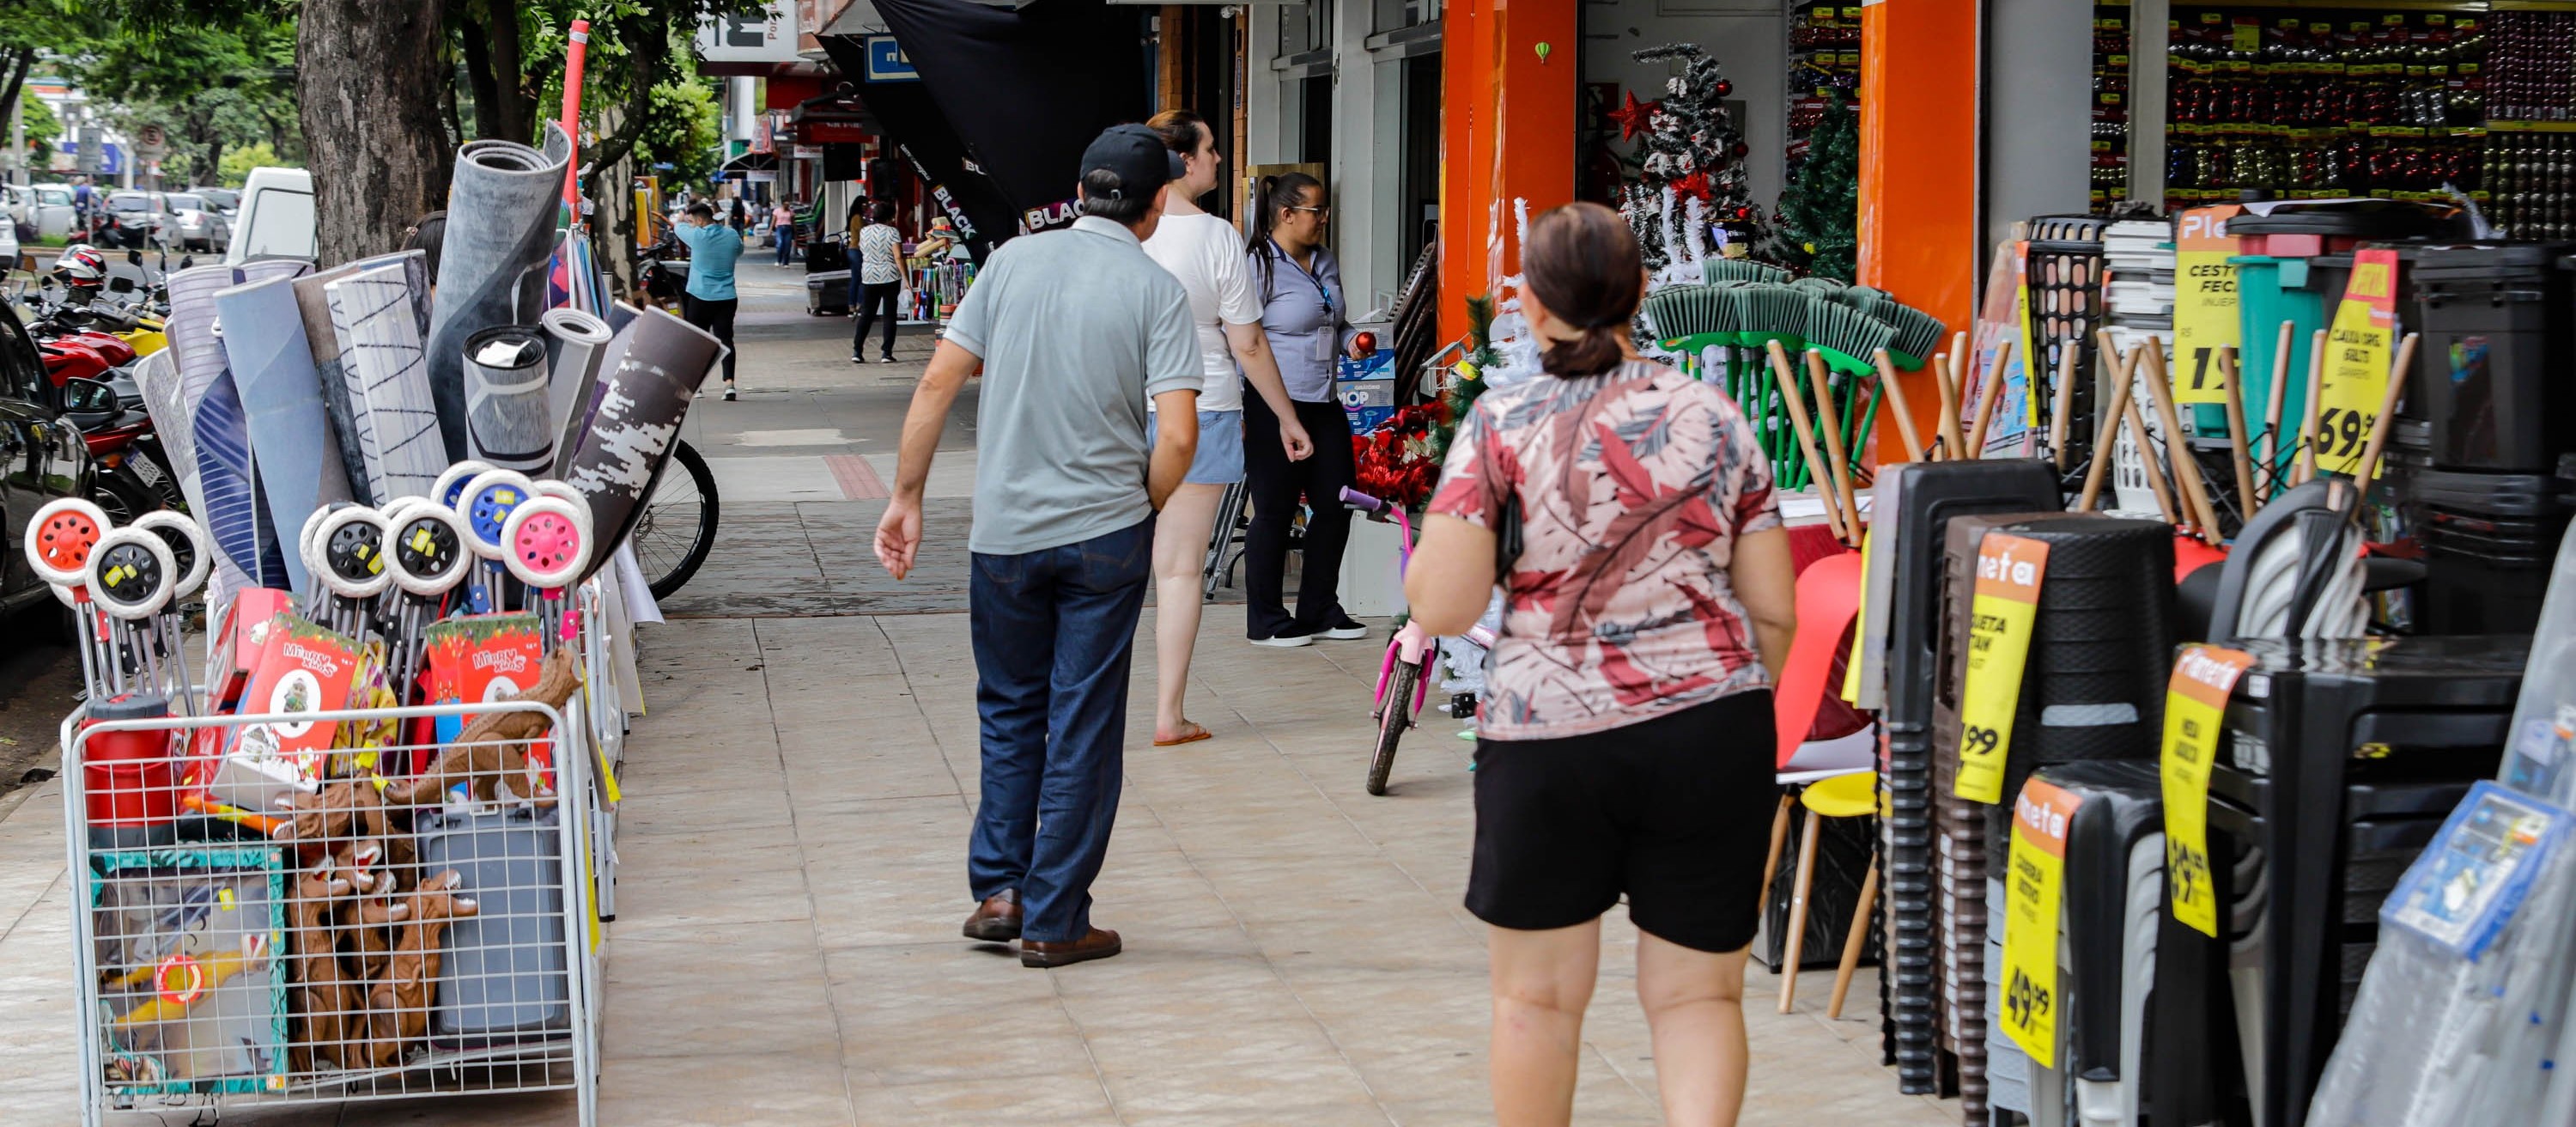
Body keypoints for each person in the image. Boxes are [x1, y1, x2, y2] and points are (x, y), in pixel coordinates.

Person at [1400, 202, 1799, 1127]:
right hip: (1709, 731)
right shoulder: (1712, 414)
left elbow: (1445, 604)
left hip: (1548, 739)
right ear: (1642, 295)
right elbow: (1773, 605)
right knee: (1698, 999)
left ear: (1533, 307)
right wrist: (1725, 700)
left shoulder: (1499, 423)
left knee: (1535, 1003)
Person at [872, 125, 1202, 970]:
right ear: (1157, 203)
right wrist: (1145, 504)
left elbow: (939, 379)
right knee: (1082, 721)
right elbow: (1178, 436)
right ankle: (1057, 917)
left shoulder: (1013, 261)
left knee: (1010, 709)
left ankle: (1002, 891)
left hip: (1005, 538)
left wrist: (906, 496)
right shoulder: (1156, 289)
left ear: (1083, 190)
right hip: (1104, 536)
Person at [1139, 108, 1313, 744]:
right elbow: (1249, 344)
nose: (1218, 158)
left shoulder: (1113, 231)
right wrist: (1288, 418)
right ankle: (1168, 715)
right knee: (1180, 569)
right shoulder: (1214, 236)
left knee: (1102, 563)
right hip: (1200, 405)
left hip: (1118, 411)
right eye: (1211, 149)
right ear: (1184, 160)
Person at [1240, 172, 1371, 647]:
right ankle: (1267, 620)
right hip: (1274, 403)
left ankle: (1319, 608)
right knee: (1274, 509)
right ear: (1286, 214)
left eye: (1324, 210)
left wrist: (1349, 340)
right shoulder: (1258, 264)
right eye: (1316, 211)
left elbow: (1331, 320)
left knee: (1337, 503)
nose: (1323, 219)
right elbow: (1243, 337)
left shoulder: (1324, 261)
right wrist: (1253, 409)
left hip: (1324, 400)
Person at [672, 201, 748, 401]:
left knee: (697, 341)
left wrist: (682, 219)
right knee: (726, 340)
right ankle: (729, 385)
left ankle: (696, 387)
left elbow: (677, 226)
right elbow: (739, 251)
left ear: (698, 220)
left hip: (699, 296)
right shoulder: (731, 235)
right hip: (727, 297)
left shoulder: (696, 236)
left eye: (693, 221)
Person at [849, 200, 904, 364]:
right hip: (890, 276)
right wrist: (906, 280)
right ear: (890, 216)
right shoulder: (893, 232)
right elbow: (899, 257)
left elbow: (862, 249)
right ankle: (886, 353)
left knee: (867, 314)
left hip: (869, 276)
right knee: (889, 315)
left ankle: (857, 351)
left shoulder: (865, 231)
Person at [772, 198, 797, 267]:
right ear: (783, 204)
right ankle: (778, 260)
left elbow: (793, 222)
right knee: (780, 244)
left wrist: (795, 231)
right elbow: (773, 221)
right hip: (779, 228)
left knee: (787, 246)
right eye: (786, 205)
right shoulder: (777, 211)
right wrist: (770, 230)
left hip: (788, 229)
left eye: (788, 205)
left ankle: (786, 262)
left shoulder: (791, 212)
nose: (787, 206)